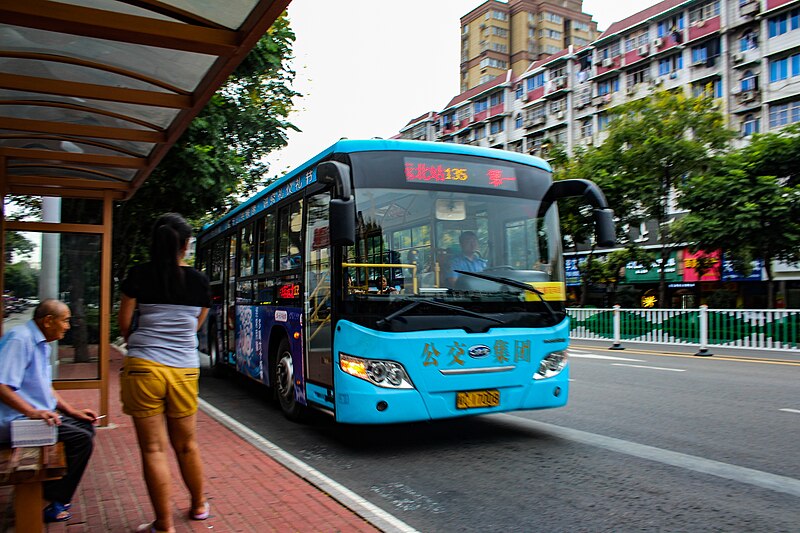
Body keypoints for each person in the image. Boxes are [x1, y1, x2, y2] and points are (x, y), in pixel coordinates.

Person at [118, 213, 211, 533]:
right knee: (187, 445)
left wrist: (142, 346)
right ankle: (198, 506)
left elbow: (125, 325)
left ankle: (164, 525)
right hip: (184, 370)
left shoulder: (138, 276)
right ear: (185, 245)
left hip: (144, 368)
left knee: (153, 449)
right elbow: (195, 326)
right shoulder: (199, 281)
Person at [0, 299, 97, 523]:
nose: (68, 326)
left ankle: (52, 495)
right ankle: (47, 502)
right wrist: (33, 412)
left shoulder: (40, 342)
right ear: (48, 321)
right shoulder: (20, 339)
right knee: (81, 440)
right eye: (65, 321)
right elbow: (2, 384)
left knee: (85, 427)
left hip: (28, 418)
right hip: (14, 422)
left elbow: (46, 387)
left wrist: (72, 411)